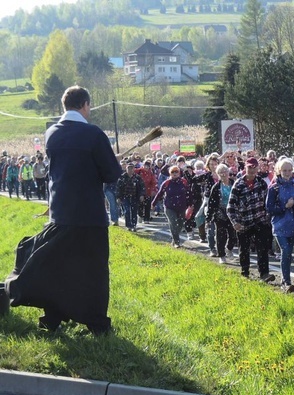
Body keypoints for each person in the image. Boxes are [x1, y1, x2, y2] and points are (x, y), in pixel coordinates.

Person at [5, 85, 123, 335]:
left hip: (61, 213)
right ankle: (97, 324)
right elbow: (111, 174)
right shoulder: (93, 135)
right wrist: (111, 162)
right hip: (89, 216)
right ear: (85, 105)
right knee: (93, 271)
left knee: (59, 267)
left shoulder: (52, 134)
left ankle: (53, 316)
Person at [227, 159, 275, 282]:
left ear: (257, 168)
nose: (252, 170)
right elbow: (231, 206)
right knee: (244, 249)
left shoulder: (262, 183)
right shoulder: (238, 184)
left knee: (262, 248)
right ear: (245, 168)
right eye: (250, 167)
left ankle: (264, 274)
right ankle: (245, 273)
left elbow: (267, 203)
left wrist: (267, 218)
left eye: (254, 167)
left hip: (260, 221)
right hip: (244, 222)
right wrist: (235, 222)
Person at [266, 158, 294, 293]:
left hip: (293, 223)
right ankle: (286, 281)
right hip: (279, 224)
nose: (287, 173)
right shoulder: (274, 187)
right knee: (286, 250)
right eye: (284, 170)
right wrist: (284, 206)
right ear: (279, 171)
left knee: (287, 253)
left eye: (289, 170)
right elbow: (269, 208)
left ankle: (285, 278)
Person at [152, 165, 191, 247]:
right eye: (172, 172)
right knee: (173, 222)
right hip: (169, 206)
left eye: (176, 172)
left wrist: (190, 204)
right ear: (170, 174)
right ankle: (177, 242)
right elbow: (159, 194)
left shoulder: (184, 182)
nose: (174, 174)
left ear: (179, 173)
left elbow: (189, 193)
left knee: (180, 223)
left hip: (181, 206)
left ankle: (174, 237)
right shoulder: (166, 183)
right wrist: (153, 203)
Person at [205, 164, 235, 264]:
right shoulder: (216, 187)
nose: (223, 174)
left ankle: (229, 248)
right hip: (220, 213)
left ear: (228, 172)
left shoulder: (234, 184)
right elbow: (211, 204)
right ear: (218, 174)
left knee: (233, 234)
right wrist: (208, 218)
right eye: (220, 172)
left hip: (232, 213)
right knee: (221, 235)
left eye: (225, 171)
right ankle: (221, 255)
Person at [116, 163, 145, 232]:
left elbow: (142, 187)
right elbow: (118, 188)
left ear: (134, 169)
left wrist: (141, 195)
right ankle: (128, 225)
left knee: (134, 211)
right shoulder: (122, 177)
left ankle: (134, 225)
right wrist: (118, 197)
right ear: (126, 169)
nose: (130, 170)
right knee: (127, 211)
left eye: (132, 168)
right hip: (125, 197)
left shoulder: (137, 177)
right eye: (129, 168)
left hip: (134, 196)